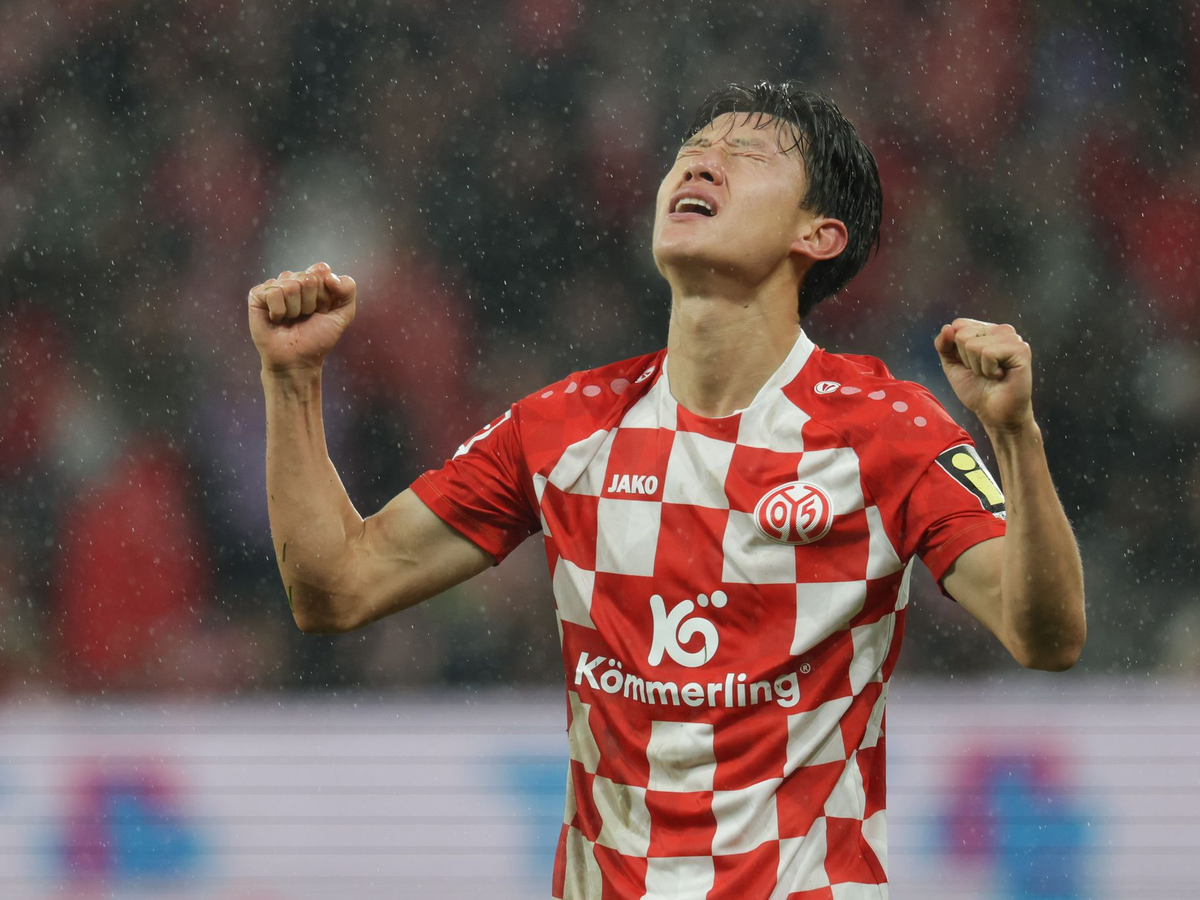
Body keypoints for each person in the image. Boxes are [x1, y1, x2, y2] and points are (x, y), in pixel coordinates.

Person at [247, 82, 1086, 899]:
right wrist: (292, 381)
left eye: (747, 154)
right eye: (693, 150)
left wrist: (1016, 437)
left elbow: (1044, 634)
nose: (702, 164)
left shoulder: (886, 431)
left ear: (820, 235)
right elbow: (337, 589)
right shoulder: (566, 427)